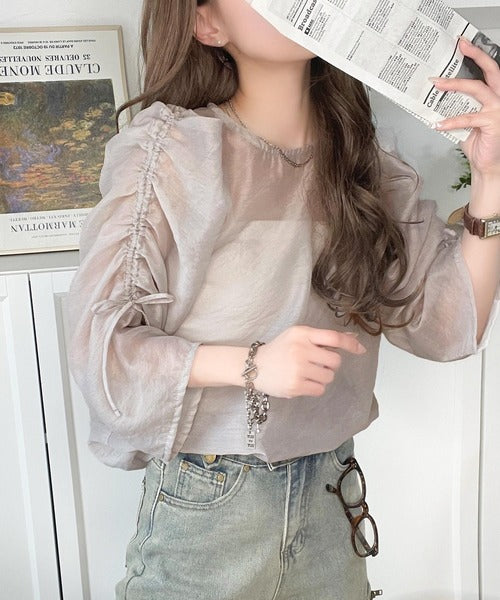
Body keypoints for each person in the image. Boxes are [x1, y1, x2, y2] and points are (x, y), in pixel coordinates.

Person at [66, 1, 500, 599]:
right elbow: (101, 349)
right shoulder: (175, 153)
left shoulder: (363, 167)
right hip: (211, 511)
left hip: (332, 498)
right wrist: (252, 364)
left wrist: (491, 178)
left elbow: (449, 326)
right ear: (208, 25)